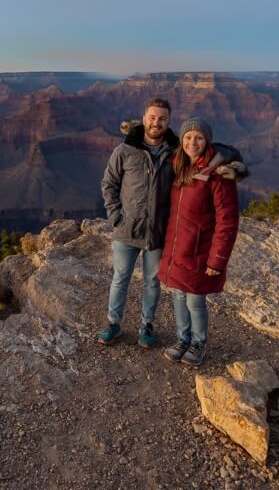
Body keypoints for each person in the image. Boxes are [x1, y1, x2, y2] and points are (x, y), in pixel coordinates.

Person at [159, 116, 242, 366]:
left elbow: (228, 220)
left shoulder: (218, 174)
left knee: (195, 300)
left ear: (207, 141)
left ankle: (199, 342)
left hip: (200, 250)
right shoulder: (178, 166)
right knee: (178, 297)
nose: (192, 142)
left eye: (198, 137)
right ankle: (182, 339)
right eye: (187, 137)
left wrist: (217, 259)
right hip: (177, 249)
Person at [97, 98, 179, 349]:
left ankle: (147, 326)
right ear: (144, 119)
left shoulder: (175, 153)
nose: (157, 122)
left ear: (168, 122)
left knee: (152, 281)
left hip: (157, 230)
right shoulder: (124, 150)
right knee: (120, 277)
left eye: (162, 118)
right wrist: (116, 217)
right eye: (152, 117)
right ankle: (113, 323)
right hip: (126, 229)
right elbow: (109, 184)